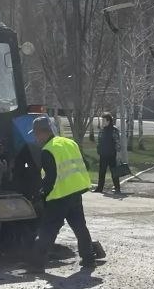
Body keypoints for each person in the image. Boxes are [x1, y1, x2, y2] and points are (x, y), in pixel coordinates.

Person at [27, 115, 99, 272]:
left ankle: (36, 265)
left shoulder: (47, 150)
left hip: (59, 197)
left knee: (48, 230)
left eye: (35, 133)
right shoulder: (69, 142)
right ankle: (89, 259)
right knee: (80, 227)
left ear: (42, 133)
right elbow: (84, 164)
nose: (35, 137)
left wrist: (41, 196)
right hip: (75, 192)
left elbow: (50, 178)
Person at [95, 112, 121, 194]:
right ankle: (99, 188)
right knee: (101, 172)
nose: (102, 122)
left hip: (112, 154)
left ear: (108, 121)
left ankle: (117, 188)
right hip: (103, 154)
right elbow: (99, 141)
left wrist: (118, 154)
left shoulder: (114, 130)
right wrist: (98, 149)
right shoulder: (102, 130)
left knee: (114, 172)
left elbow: (117, 142)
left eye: (104, 120)